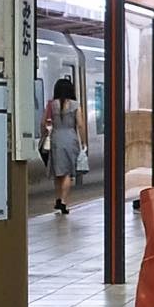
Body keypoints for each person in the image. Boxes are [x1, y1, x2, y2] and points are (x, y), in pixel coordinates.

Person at [42, 78, 86, 214]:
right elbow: (80, 124)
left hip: (56, 137)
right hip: (70, 138)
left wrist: (44, 135)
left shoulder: (51, 105)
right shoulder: (75, 105)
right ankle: (64, 202)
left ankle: (57, 198)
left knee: (58, 171)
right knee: (67, 172)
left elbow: (43, 122)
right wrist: (83, 142)